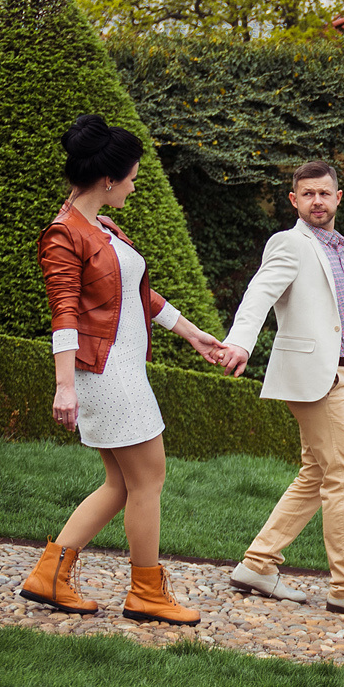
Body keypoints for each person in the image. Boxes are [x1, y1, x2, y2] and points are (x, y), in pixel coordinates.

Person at [20, 114, 242, 623]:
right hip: (104, 373)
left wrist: (192, 334)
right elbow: (65, 314)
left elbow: (137, 294)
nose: (136, 185)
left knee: (122, 485)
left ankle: (49, 576)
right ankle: (146, 593)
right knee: (148, 481)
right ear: (107, 180)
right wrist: (64, 386)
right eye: (133, 177)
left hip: (122, 369)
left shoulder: (102, 227)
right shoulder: (63, 234)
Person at [219, 160, 344, 618]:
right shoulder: (290, 244)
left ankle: (257, 565)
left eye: (325, 193)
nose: (317, 201)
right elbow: (258, 293)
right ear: (294, 200)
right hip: (315, 379)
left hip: (343, 375)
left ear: (339, 197)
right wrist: (240, 342)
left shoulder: (340, 250)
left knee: (318, 474)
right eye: (308, 194)